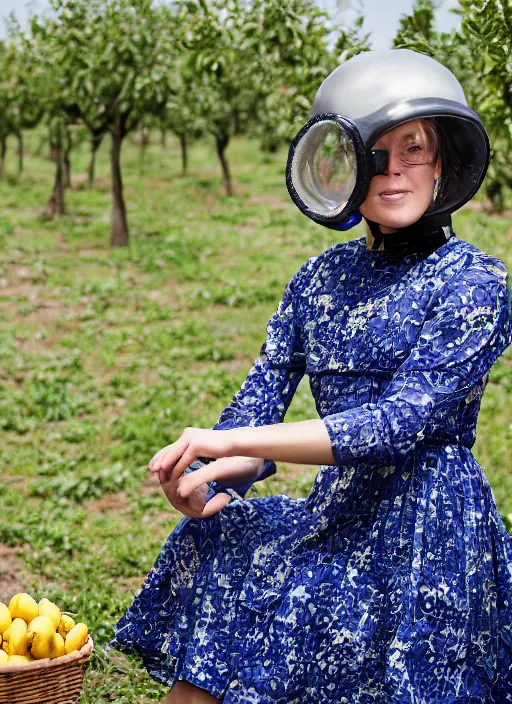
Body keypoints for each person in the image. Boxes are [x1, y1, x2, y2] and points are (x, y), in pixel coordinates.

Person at [109, 49, 512, 703]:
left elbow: (397, 423)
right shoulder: (319, 281)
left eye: (414, 149)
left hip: (428, 537)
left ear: (442, 163)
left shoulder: (475, 282)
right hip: (341, 512)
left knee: (318, 603)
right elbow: (256, 405)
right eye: (375, 153)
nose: (395, 170)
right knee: (220, 542)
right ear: (345, 168)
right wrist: (210, 477)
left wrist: (234, 448)